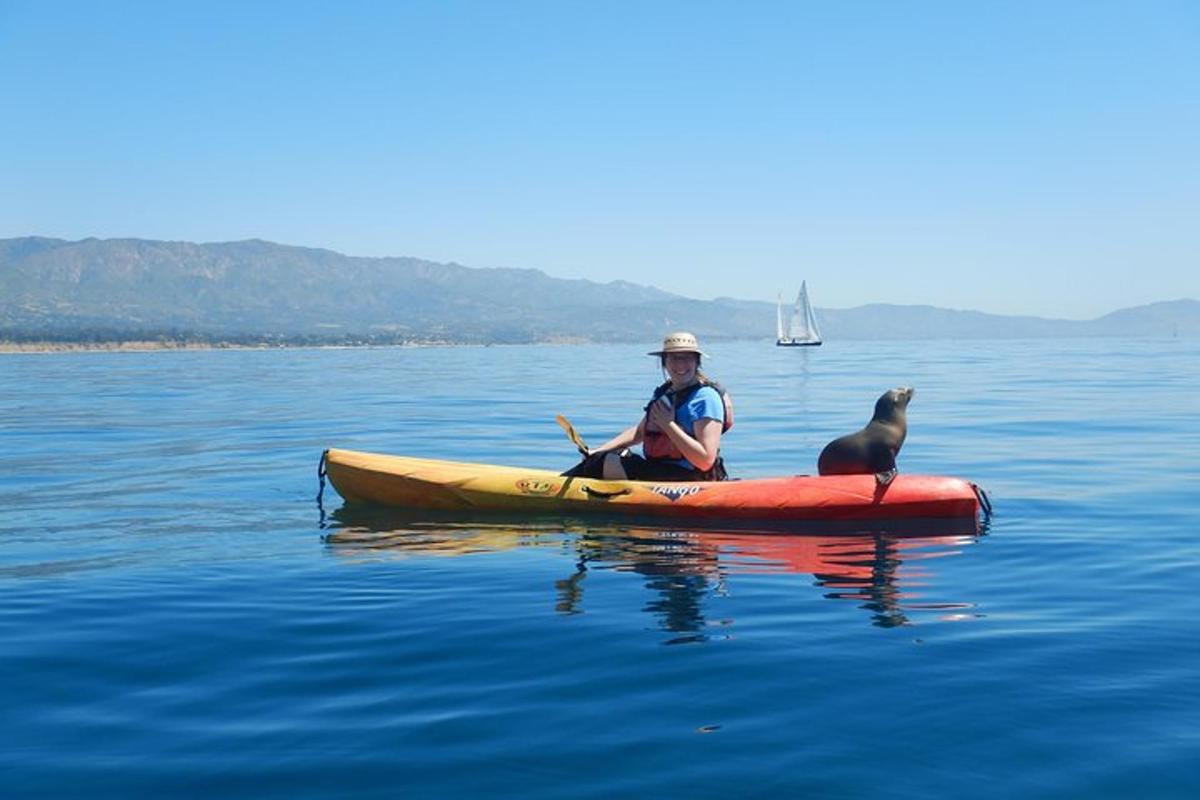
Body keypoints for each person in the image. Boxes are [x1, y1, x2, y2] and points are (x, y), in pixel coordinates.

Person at [564, 331, 732, 481]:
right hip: (659, 471)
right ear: (664, 363)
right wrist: (598, 451)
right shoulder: (666, 393)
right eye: (674, 358)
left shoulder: (706, 398)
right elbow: (640, 432)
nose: (680, 364)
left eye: (686, 358)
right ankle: (562, 483)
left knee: (604, 462)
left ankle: (555, 488)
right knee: (607, 457)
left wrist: (669, 425)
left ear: (697, 362)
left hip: (691, 478)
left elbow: (705, 461)